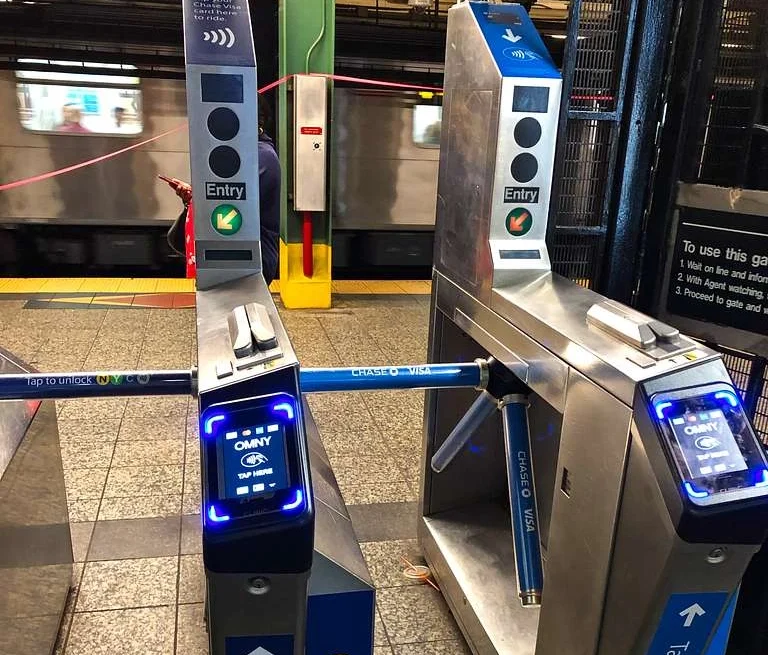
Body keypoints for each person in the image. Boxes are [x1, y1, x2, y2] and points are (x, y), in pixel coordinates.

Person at [163, 95, 281, 286]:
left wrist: (204, 198)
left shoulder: (262, 157)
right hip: (237, 252)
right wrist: (194, 198)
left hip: (252, 256)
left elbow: (235, 204)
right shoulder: (246, 154)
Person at [257, 96, 281, 287]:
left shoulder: (262, 155)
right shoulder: (250, 153)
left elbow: (237, 203)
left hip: (257, 256)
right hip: (246, 254)